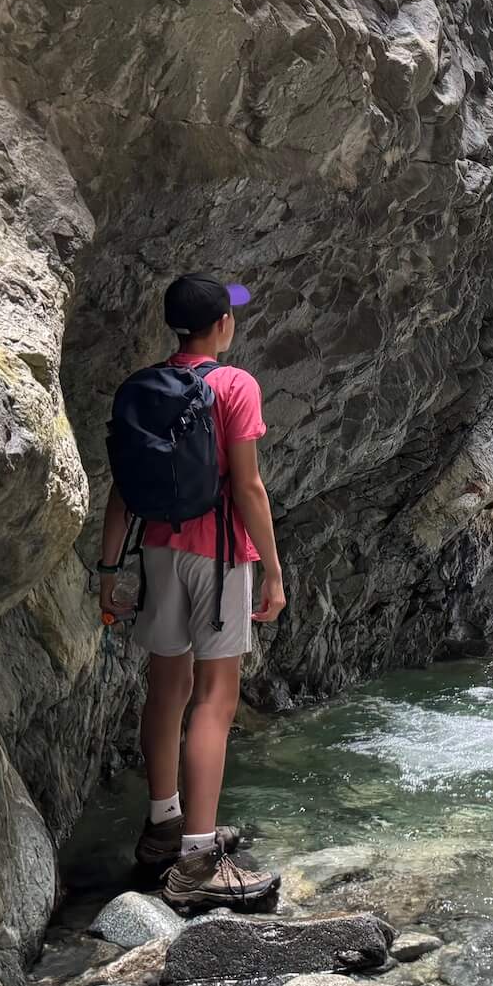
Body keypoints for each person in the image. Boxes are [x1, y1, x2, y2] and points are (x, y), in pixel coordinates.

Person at [96, 272, 287, 912]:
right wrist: (276, 572)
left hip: (158, 550)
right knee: (215, 700)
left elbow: (124, 485)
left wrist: (105, 569)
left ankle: (162, 827)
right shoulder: (234, 385)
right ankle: (200, 860)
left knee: (167, 689)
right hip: (221, 555)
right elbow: (247, 487)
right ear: (222, 325)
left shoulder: (143, 389)